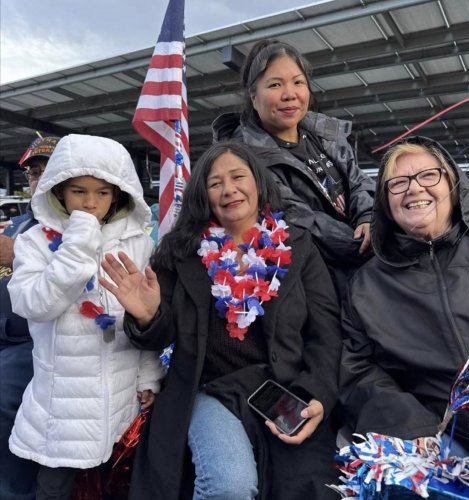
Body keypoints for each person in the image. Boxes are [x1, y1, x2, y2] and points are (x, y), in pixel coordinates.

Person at [99, 142, 343, 499]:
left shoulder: (300, 247)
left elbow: (326, 334)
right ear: (204, 196)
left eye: (238, 177)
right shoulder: (179, 252)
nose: (229, 189)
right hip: (208, 390)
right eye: (215, 183)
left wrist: (318, 395)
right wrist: (148, 315)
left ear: (258, 183)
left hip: (284, 392)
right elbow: (158, 334)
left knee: (311, 488)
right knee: (229, 484)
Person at [7, 134, 164, 500]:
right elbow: (34, 304)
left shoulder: (139, 244)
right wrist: (77, 243)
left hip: (120, 399)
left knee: (111, 486)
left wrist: (149, 375)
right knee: (55, 488)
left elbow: (143, 315)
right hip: (60, 409)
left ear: (118, 194)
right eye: (79, 191)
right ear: (59, 191)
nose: (90, 203)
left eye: (102, 193)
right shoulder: (33, 243)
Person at [339, 136, 469, 455]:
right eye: (398, 183)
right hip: (448, 439)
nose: (414, 189)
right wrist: (411, 425)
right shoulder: (366, 286)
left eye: (428, 175)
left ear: (452, 186)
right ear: (385, 202)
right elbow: (358, 371)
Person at [212, 38, 375, 295]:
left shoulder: (326, 136)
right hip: (316, 284)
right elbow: (300, 220)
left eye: (298, 82)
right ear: (253, 96)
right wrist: (372, 245)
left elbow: (358, 181)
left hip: (362, 266)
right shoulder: (244, 161)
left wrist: (368, 217)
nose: (290, 94)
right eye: (275, 85)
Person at [0, 136, 59, 500]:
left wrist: (15, 254)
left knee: (3, 389)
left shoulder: (78, 224)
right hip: (8, 334)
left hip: (37, 342)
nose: (37, 178)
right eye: (33, 173)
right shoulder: (18, 225)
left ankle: (13, 492)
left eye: (46, 170)